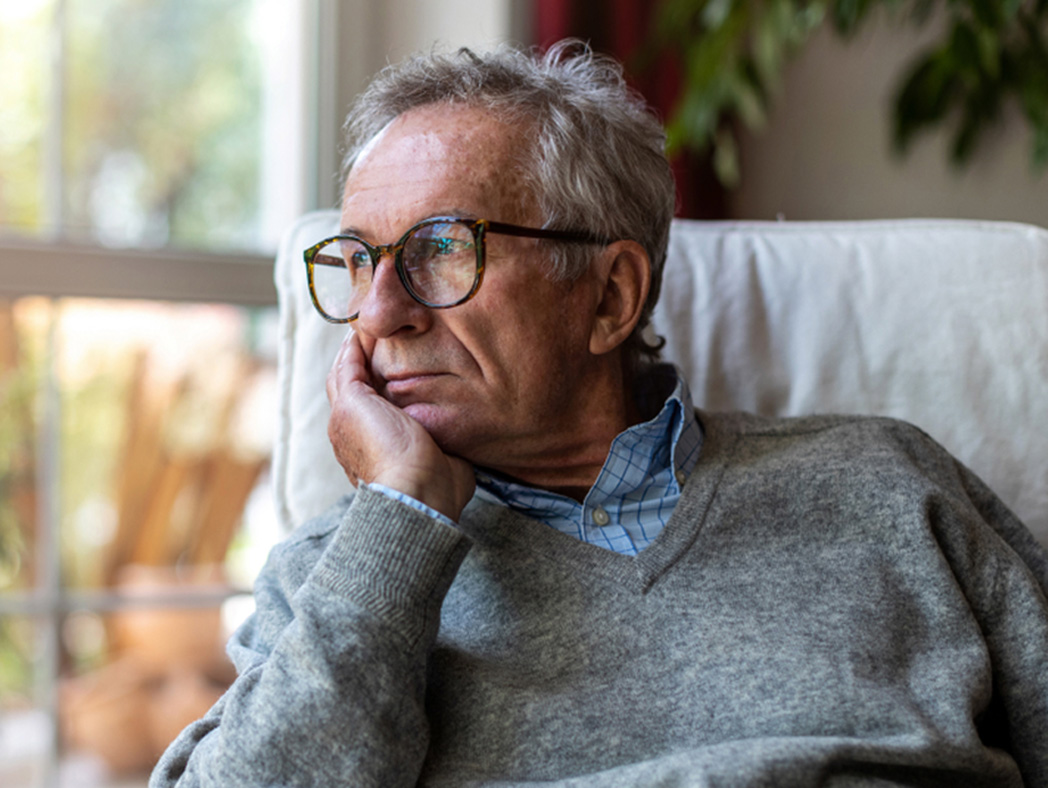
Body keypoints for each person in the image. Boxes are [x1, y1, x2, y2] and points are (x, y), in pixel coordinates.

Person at [151, 41, 1048, 787]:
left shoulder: (890, 486)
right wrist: (400, 521)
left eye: (440, 250)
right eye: (356, 261)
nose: (381, 314)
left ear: (611, 296)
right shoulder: (345, 576)